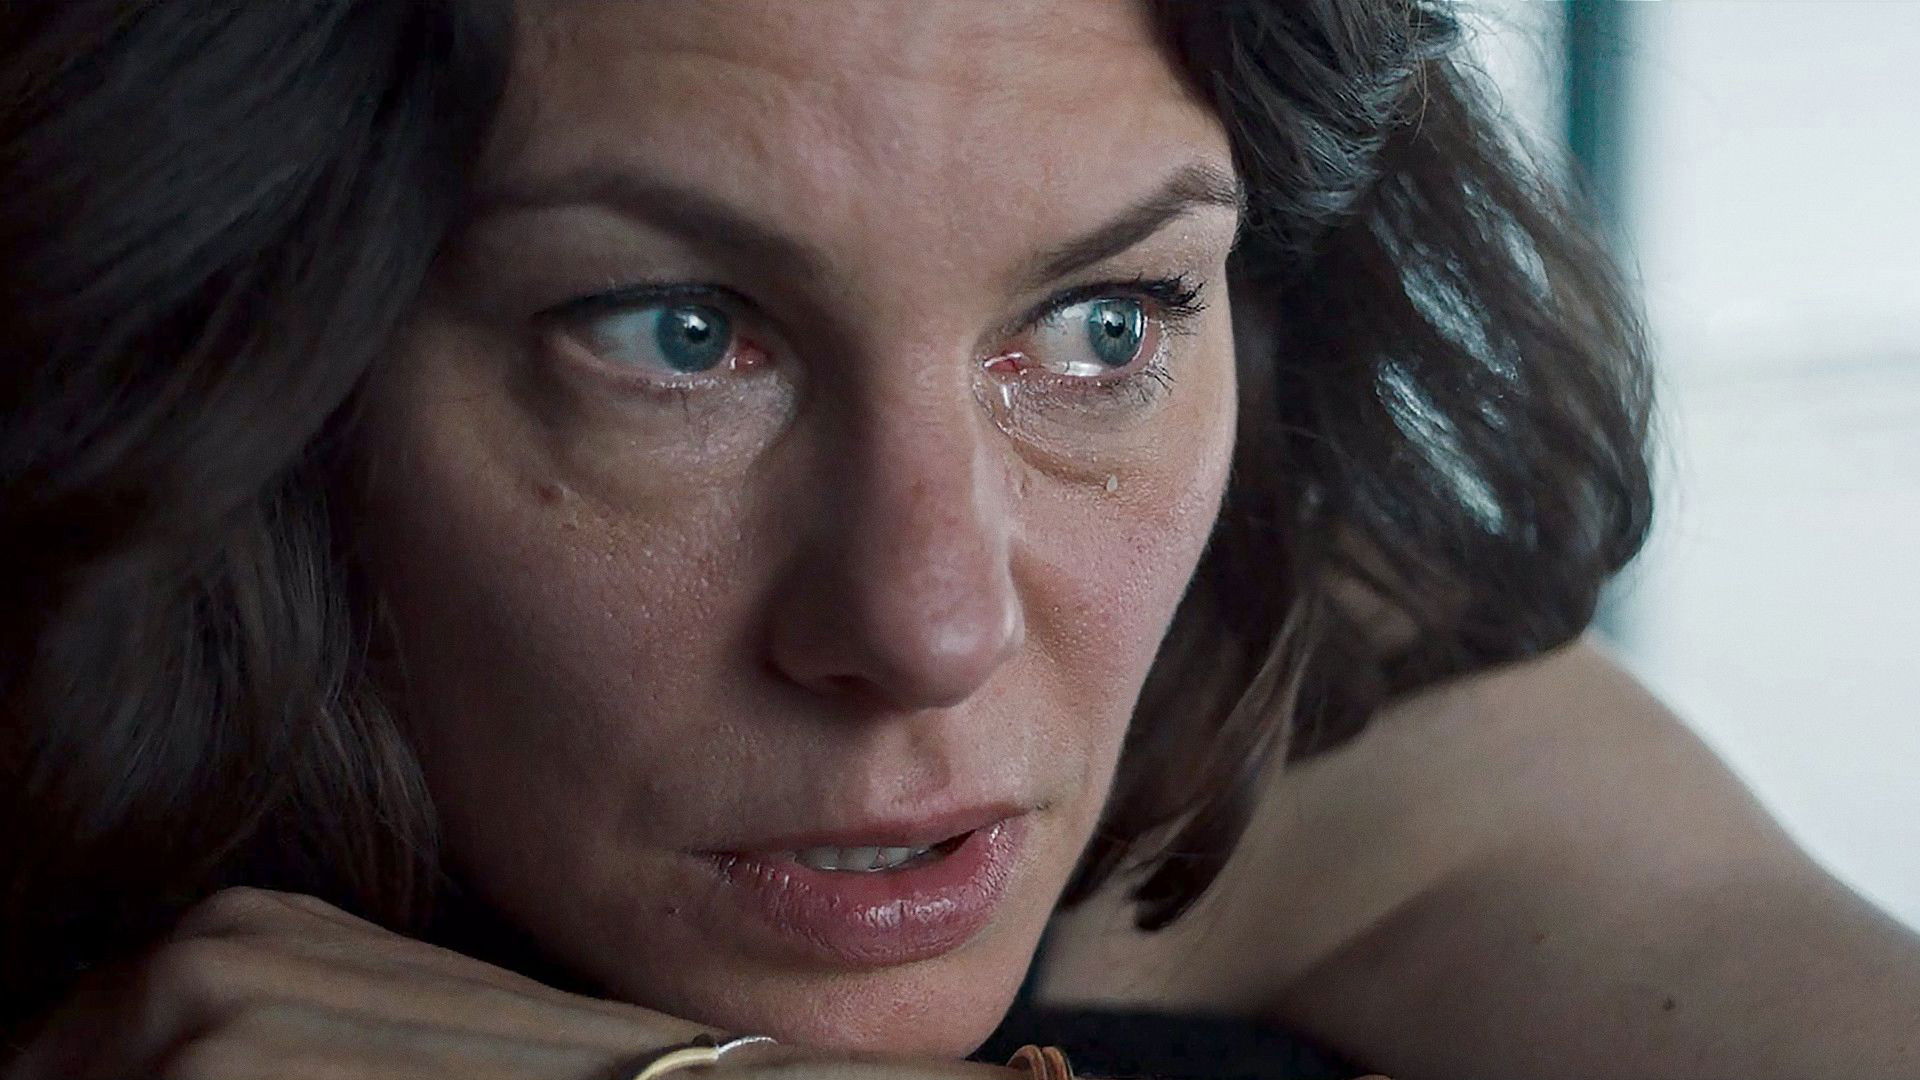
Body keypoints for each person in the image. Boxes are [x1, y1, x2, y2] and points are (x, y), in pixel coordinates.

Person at [2, 2, 1916, 1078]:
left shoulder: (1310, 703)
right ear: (262, 344)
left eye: (1104, 327)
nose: (932, 624)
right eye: (680, 336)